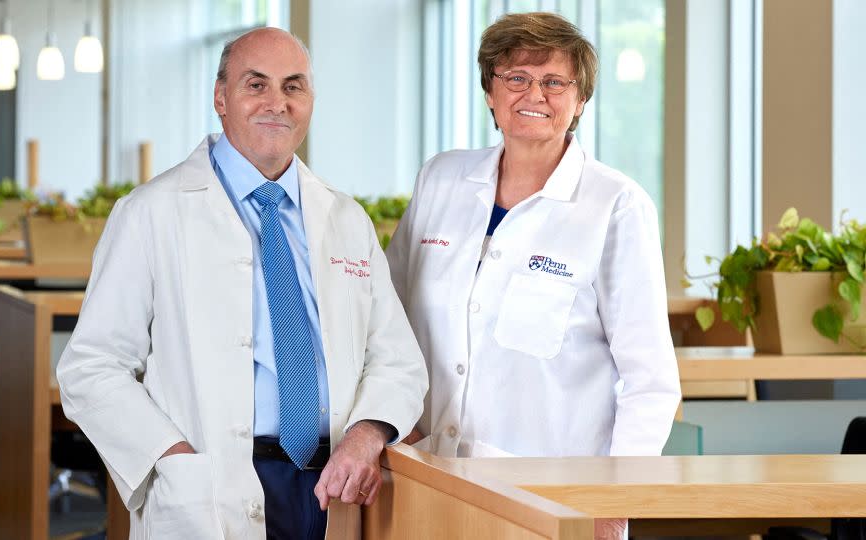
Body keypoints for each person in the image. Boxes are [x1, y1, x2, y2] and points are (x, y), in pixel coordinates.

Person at [57, 27, 427, 540]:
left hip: (334, 484)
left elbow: (397, 358)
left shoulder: (345, 217)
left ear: (310, 101)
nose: (277, 102)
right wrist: (174, 458)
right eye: (256, 85)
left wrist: (367, 434)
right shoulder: (151, 212)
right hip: (211, 485)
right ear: (220, 98)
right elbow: (90, 367)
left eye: (293, 86)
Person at [385, 12, 681, 539]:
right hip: (425, 475)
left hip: (552, 498)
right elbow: (388, 319)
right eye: (516, 78)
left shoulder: (616, 204)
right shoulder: (441, 178)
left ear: (580, 100)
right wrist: (394, 426)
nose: (534, 94)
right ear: (490, 92)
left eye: (554, 82)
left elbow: (649, 379)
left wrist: (613, 506)